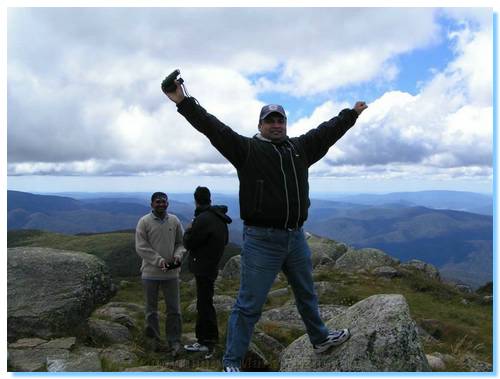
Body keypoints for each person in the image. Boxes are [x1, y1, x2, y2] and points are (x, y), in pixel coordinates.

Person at [164, 78, 367, 372]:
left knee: (306, 293)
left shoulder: (300, 149)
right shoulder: (247, 150)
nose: (276, 125)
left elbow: (327, 132)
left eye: (280, 120)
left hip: (295, 237)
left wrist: (351, 115)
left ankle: (320, 338)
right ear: (260, 125)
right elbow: (213, 128)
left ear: (285, 123)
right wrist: (183, 102)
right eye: (269, 121)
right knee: (248, 305)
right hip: (262, 240)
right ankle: (232, 362)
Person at [183, 186, 232, 359]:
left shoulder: (203, 219)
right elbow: (225, 240)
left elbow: (189, 243)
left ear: (196, 199)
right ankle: (206, 339)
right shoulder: (219, 218)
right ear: (209, 198)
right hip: (212, 265)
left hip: (203, 268)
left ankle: (207, 342)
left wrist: (188, 229)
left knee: (204, 305)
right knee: (205, 303)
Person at [135, 192, 185, 357]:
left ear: (168, 203)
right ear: (151, 204)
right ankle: (154, 342)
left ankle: (174, 341)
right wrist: (159, 261)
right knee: (151, 310)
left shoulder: (174, 220)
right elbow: (141, 246)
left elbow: (180, 243)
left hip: (171, 274)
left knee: (174, 310)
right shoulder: (144, 221)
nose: (161, 204)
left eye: (164, 202)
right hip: (150, 273)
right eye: (158, 202)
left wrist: (178, 255)